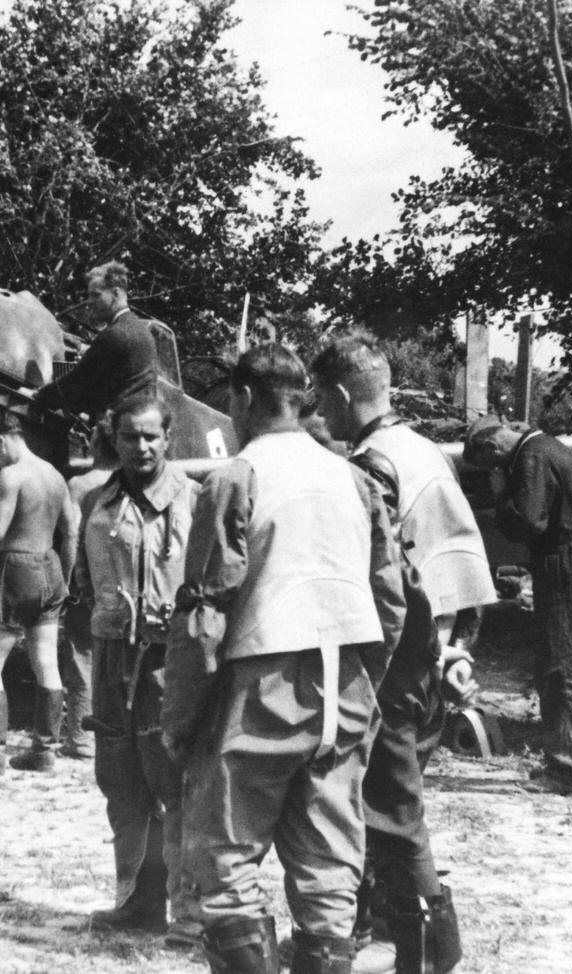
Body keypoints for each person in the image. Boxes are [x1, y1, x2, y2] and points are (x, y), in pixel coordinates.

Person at [163, 343, 406, 974]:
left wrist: (181, 718)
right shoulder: (354, 477)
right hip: (346, 683)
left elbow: (205, 615)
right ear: (302, 398)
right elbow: (391, 599)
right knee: (329, 870)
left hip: (263, 685)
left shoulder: (235, 477)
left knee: (227, 864)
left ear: (243, 399)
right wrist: (365, 685)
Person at [313, 334, 497, 974]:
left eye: (321, 400)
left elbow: (377, 579)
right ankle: (380, 933)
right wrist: (455, 649)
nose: (320, 413)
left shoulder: (370, 465)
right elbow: (461, 557)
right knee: (385, 796)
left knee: (387, 803)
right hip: (440, 651)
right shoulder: (423, 451)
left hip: (395, 661)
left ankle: (429, 951)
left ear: (339, 396)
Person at [73, 395, 201, 948]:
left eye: (152, 436)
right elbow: (82, 581)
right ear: (115, 438)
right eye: (131, 437)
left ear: (168, 438)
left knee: (176, 784)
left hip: (169, 661)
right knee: (121, 782)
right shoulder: (95, 502)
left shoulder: (195, 500)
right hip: (111, 658)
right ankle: (140, 900)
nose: (142, 447)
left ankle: (190, 912)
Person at [464, 415, 572, 797]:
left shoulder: (531, 455)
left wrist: (500, 494)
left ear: (492, 448)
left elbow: (527, 522)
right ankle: (564, 763)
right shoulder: (546, 446)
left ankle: (566, 772)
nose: (496, 469)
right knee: (568, 659)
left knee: (565, 663)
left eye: (492, 464)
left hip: (568, 559)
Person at [0, 412, 76, 773]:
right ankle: (44, 750)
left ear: (1, 439)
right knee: (46, 662)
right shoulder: (55, 475)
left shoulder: (11, 476)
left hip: (16, 567)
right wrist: (66, 580)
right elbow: (72, 530)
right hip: (50, 567)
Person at [61, 418, 119, 758]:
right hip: (124, 580)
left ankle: (82, 739)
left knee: (81, 655)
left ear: (96, 445)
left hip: (90, 579)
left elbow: (72, 536)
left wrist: (68, 580)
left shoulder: (80, 485)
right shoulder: (129, 480)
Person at [34, 261, 158, 418]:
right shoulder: (140, 330)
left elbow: (76, 383)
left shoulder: (117, 334)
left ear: (116, 294)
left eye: (96, 295)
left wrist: (39, 396)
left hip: (116, 430)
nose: (89, 301)